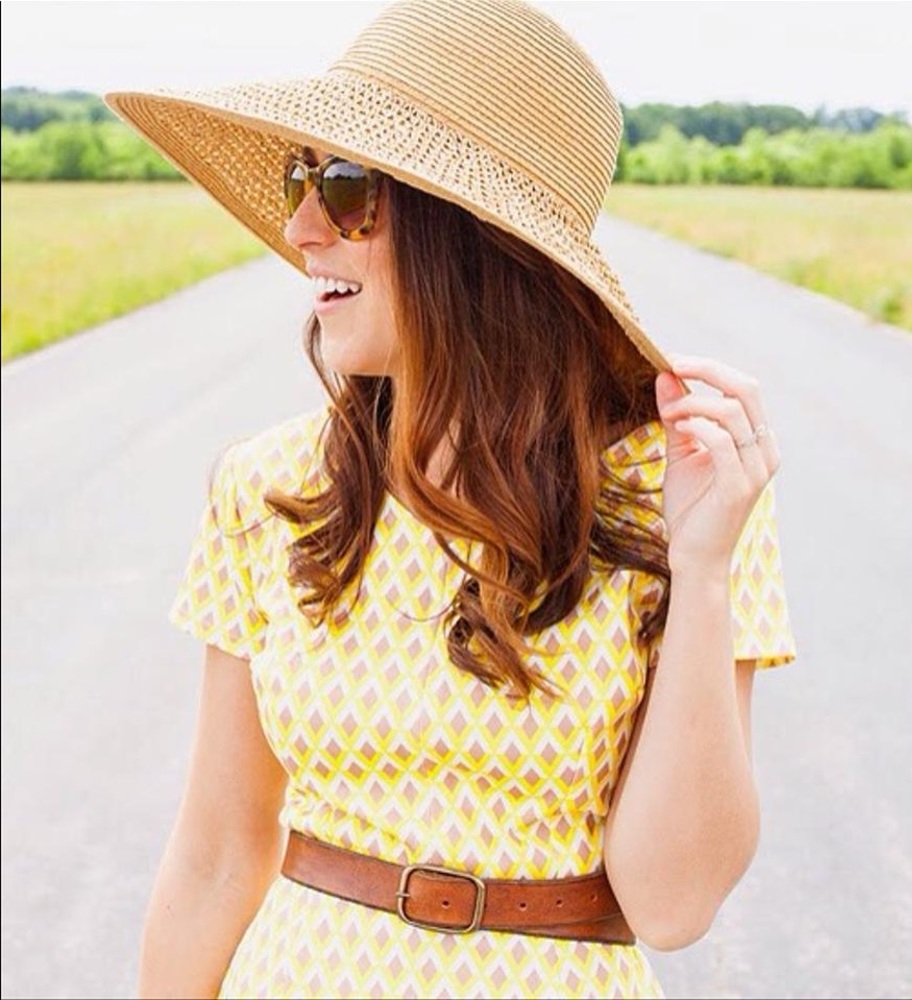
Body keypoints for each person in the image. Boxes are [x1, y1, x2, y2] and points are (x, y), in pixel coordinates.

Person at [107, 0, 797, 996]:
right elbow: (216, 854)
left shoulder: (681, 487)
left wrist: (701, 567)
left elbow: (674, 902)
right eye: (303, 179)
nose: (300, 227)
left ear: (467, 234)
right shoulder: (267, 484)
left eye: (341, 187)